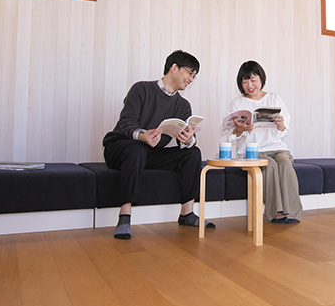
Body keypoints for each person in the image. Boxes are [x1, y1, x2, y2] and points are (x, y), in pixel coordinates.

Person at [103, 50, 214, 239]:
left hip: (149, 153)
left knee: (193, 153)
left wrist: (188, 140)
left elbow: (183, 140)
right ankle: (124, 217)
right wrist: (142, 135)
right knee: (137, 148)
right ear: (174, 68)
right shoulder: (141, 89)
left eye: (194, 76)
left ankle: (187, 214)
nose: (191, 79)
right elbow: (127, 122)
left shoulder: (183, 106)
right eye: (190, 73)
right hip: (121, 147)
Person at [227, 60, 302, 224]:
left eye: (253, 80)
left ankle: (292, 212)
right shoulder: (237, 103)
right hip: (252, 152)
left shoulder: (274, 98)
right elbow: (231, 134)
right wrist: (242, 129)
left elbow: (284, 130)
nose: (249, 85)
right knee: (270, 165)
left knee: (285, 164)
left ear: (261, 78)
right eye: (245, 81)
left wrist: (281, 125)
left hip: (277, 148)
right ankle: (276, 213)